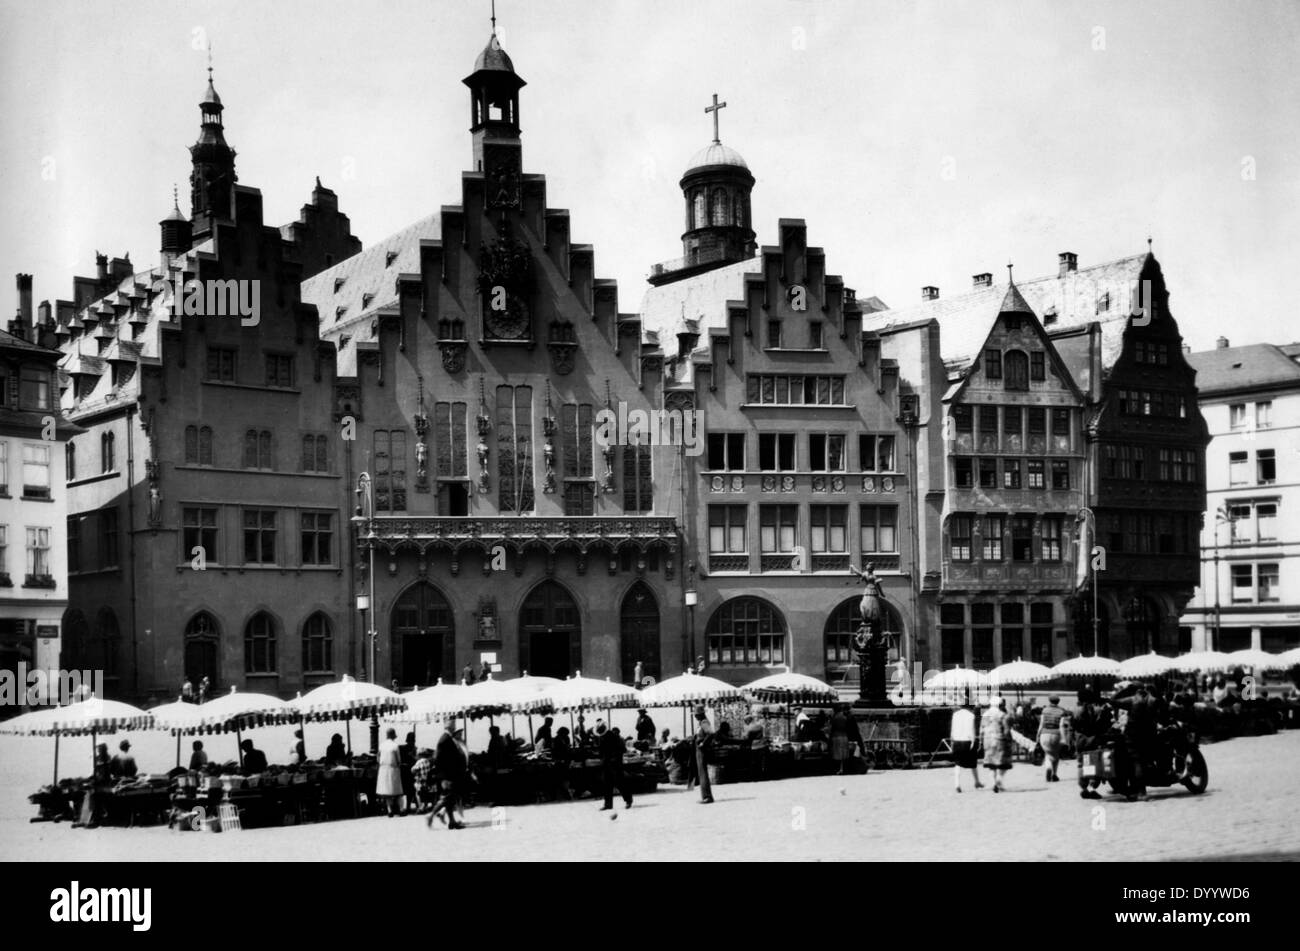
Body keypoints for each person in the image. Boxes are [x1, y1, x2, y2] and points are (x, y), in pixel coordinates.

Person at [1071, 687, 1109, 800]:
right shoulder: (1097, 710)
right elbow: (1102, 726)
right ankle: (1092, 787)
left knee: (1082, 763)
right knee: (1093, 762)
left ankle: (1084, 788)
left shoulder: (1074, 710)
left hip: (1080, 739)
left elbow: (1073, 726)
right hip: (1093, 739)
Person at [430, 722, 469, 830]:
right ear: (450, 728)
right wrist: (443, 774)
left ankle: (451, 821)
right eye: (454, 727)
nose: (455, 729)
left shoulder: (448, 739)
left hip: (450, 774)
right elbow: (439, 758)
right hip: (447, 774)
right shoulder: (445, 739)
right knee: (447, 798)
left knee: (450, 798)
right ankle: (431, 815)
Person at [949, 701, 983, 792]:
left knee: (958, 764)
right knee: (973, 762)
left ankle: (957, 784)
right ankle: (977, 781)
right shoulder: (971, 715)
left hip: (957, 740)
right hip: (967, 741)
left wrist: (951, 741)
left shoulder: (955, 715)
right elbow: (972, 729)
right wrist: (974, 741)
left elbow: (952, 729)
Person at [981, 696, 1013, 791]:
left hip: (987, 740)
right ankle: (999, 779)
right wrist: (1009, 741)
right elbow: (1007, 730)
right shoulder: (1003, 715)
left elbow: (982, 729)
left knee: (991, 764)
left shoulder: (985, 714)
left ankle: (994, 782)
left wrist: (981, 741)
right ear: (1000, 704)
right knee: (1003, 762)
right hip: (999, 740)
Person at [599, 724, 634, 810]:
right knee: (607, 784)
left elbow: (622, 749)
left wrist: (614, 758)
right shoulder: (602, 738)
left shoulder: (614, 737)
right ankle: (608, 804)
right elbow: (602, 751)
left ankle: (628, 800)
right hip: (607, 764)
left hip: (615, 764)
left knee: (620, 782)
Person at [687, 705, 715, 804]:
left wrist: (703, 743)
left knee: (703, 773)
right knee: (701, 772)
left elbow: (711, 733)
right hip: (698, 748)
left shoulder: (704, 722)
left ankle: (707, 796)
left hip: (702, 749)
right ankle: (705, 795)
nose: (695, 716)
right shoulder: (701, 723)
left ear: (700, 714)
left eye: (696, 715)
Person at [1037, 695, 1068, 782]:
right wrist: (1064, 738)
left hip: (1044, 734)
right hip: (1056, 734)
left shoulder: (1044, 710)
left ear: (1049, 701)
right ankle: (1054, 774)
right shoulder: (1061, 711)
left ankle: (1048, 767)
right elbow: (1061, 725)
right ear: (1058, 701)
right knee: (1056, 755)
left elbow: (1041, 724)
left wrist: (1038, 735)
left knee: (1048, 754)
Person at [376, 728, 403, 817]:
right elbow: (399, 759)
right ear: (393, 736)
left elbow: (378, 758)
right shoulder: (395, 746)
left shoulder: (381, 745)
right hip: (393, 768)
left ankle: (389, 810)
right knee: (398, 791)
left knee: (386, 791)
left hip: (383, 769)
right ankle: (401, 809)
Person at [552, 726, 574, 800]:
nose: (567, 735)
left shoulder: (566, 738)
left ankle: (566, 792)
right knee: (563, 777)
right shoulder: (556, 740)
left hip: (565, 760)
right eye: (565, 734)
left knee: (566, 776)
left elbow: (567, 748)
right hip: (560, 760)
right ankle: (564, 793)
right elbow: (555, 751)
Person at [412, 748, 436, 812]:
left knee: (418, 793)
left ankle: (420, 807)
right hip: (428, 780)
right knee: (427, 794)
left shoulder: (419, 762)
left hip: (421, 781)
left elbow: (413, 769)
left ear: (419, 755)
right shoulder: (428, 761)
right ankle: (426, 806)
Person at [400, 731, 417, 814]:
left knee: (405, 790)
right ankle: (408, 807)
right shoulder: (414, 749)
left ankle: (405, 807)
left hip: (404, 771)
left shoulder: (401, 748)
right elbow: (415, 760)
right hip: (410, 771)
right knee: (410, 791)